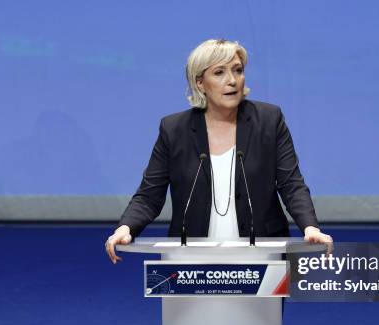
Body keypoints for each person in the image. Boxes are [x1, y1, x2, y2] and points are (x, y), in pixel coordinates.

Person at [105, 39, 331, 263]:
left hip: (261, 255)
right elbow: (149, 196)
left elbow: (291, 184)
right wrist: (126, 228)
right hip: (190, 258)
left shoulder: (269, 121)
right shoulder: (174, 129)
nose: (232, 81)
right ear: (200, 82)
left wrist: (310, 226)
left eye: (238, 70)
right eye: (219, 73)